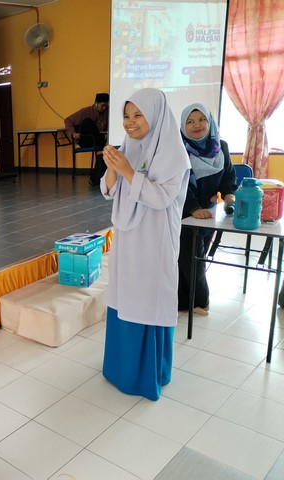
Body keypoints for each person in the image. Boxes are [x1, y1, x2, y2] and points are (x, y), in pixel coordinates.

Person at [100, 88, 190, 401]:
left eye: (138, 115)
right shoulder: (129, 147)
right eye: (126, 115)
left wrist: (127, 171)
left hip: (154, 241)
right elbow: (109, 192)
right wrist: (113, 168)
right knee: (124, 295)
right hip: (127, 239)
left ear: (155, 115)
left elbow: (162, 198)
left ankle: (146, 374)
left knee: (148, 298)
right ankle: (119, 369)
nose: (130, 122)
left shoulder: (174, 155)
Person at [177, 104, 237, 316]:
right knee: (189, 259)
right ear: (183, 126)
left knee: (197, 255)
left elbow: (228, 175)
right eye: (190, 121)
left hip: (209, 214)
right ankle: (200, 301)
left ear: (210, 122)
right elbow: (179, 184)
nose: (197, 125)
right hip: (184, 212)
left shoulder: (221, 146)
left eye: (202, 119)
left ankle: (184, 301)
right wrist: (194, 208)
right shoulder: (178, 149)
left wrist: (229, 195)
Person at [65, 93, 110, 186]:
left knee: (104, 150)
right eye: (102, 105)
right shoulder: (86, 111)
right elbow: (68, 120)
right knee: (87, 121)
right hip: (86, 140)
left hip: (98, 140)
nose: (104, 108)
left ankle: (96, 179)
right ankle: (103, 145)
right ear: (96, 103)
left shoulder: (107, 112)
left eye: (106, 105)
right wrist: (73, 133)